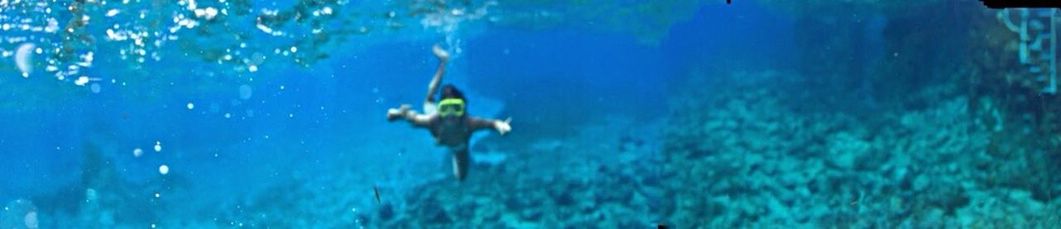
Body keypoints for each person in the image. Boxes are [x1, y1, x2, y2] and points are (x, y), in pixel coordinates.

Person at [387, 44, 512, 181]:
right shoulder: (432, 120)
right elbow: (413, 118)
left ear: (463, 110)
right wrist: (399, 114)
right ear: (441, 109)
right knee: (429, 98)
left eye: (456, 107)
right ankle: (443, 62)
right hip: (435, 115)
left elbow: (492, 123)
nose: (451, 114)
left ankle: (444, 61)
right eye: (446, 107)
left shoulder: (469, 123)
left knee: (461, 177)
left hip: (459, 147)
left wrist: (501, 126)